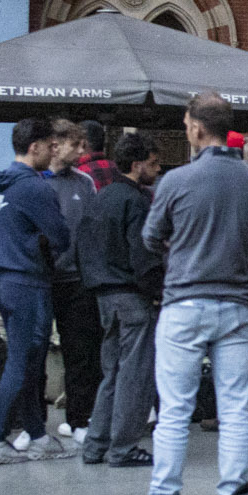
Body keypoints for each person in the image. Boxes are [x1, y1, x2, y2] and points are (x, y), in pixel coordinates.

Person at [145, 92, 248, 495]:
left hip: (185, 301)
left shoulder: (176, 181)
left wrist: (181, 244)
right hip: (239, 306)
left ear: (198, 128)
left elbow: (150, 237)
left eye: (186, 123)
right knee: (237, 410)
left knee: (175, 412)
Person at [0, 118, 72, 464]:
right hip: (28, 281)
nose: (54, 152)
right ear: (34, 147)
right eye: (50, 146)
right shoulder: (35, 188)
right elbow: (61, 236)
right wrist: (42, 242)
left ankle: (36, 435)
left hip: (4, 279)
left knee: (29, 361)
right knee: (21, 361)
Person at [80, 130, 165, 467]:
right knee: (134, 374)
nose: (157, 170)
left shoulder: (102, 196)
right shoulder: (137, 201)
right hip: (131, 294)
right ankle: (124, 447)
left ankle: (96, 443)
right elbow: (143, 254)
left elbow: (83, 246)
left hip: (104, 294)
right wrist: (158, 290)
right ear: (136, 164)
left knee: (113, 372)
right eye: (153, 163)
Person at [34, 122, 104, 441]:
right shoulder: (34, 182)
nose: (82, 152)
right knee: (35, 353)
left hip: (77, 281)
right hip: (40, 279)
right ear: (56, 145)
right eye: (76, 146)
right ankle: (34, 423)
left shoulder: (85, 182)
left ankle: (79, 419)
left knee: (81, 353)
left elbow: (92, 230)